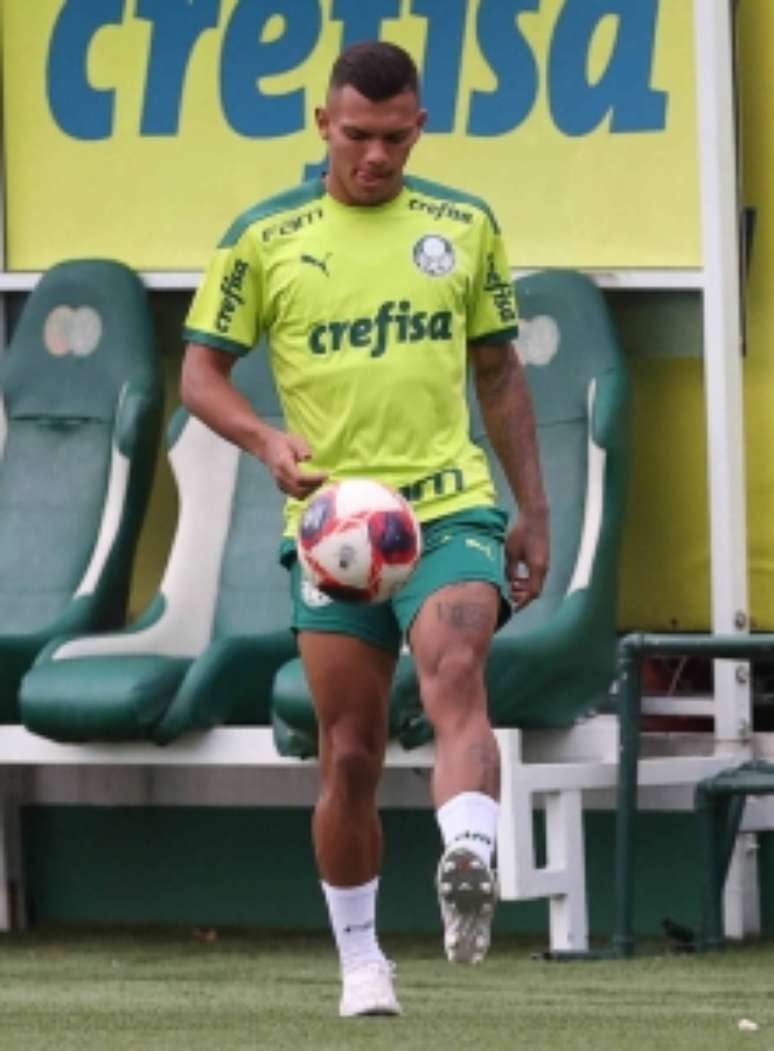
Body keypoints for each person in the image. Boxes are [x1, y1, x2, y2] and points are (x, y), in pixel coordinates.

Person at [180, 40, 549, 1018]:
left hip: (447, 503)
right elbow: (200, 373)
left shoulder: (463, 227)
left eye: (394, 138)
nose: (376, 156)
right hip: (333, 525)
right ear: (323, 125)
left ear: (419, 127)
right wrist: (264, 437)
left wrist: (532, 513)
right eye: (357, 137)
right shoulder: (266, 236)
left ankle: (468, 860)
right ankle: (361, 963)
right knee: (349, 747)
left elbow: (501, 371)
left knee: (459, 670)